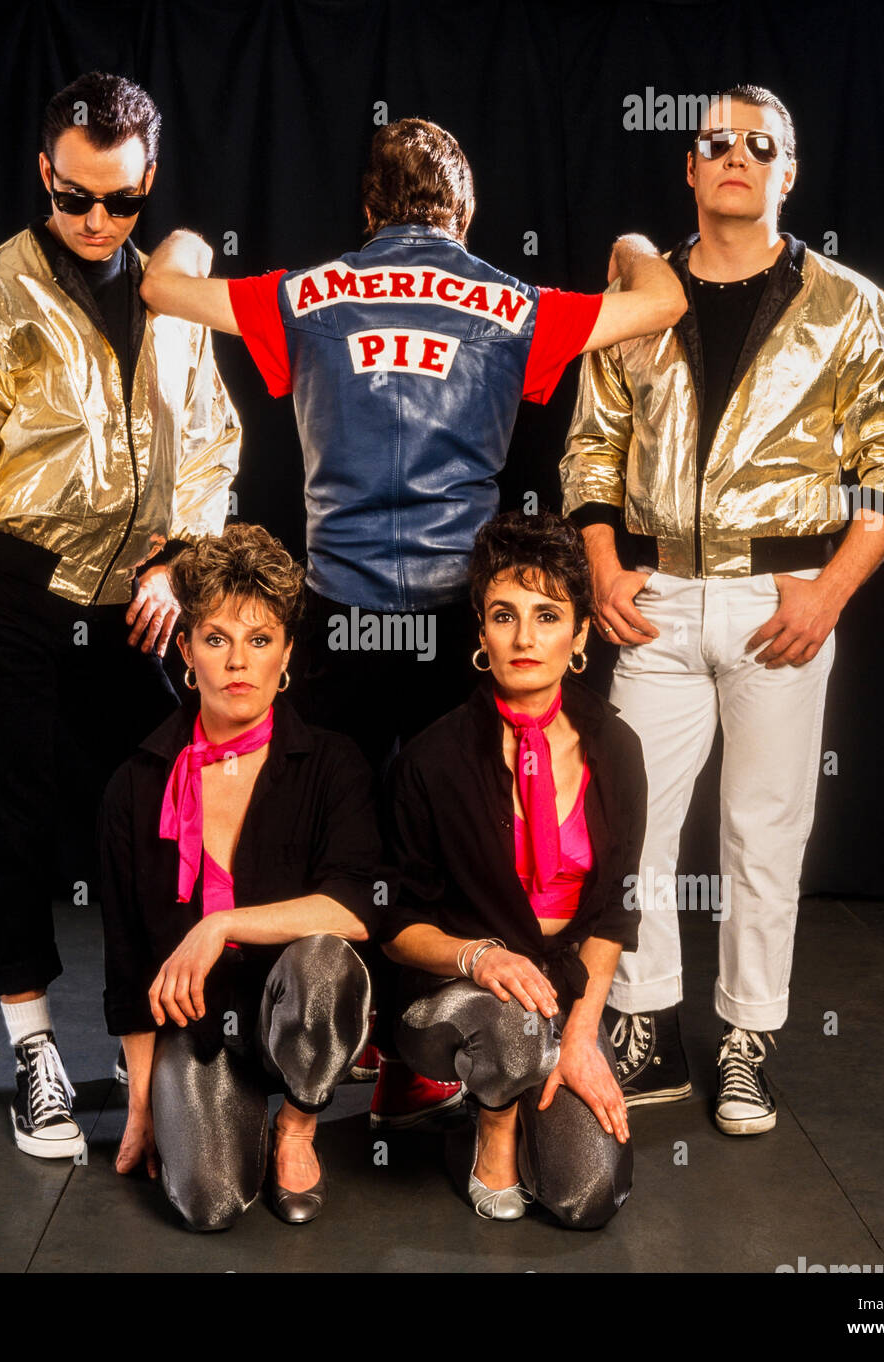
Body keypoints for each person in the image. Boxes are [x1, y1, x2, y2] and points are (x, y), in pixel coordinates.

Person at [137, 116, 683, 1130]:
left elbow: (162, 288)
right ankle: (421, 1053)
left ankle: (304, 1043)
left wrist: (187, 246)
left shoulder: (306, 292)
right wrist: (627, 249)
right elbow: (662, 299)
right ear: (463, 213)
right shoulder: (506, 300)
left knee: (328, 840)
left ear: (369, 210)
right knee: (447, 847)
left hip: (338, 611)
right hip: (454, 619)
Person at [0, 72, 241, 1161]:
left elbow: (213, 442)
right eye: (76, 196)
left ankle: (168, 1045)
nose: (96, 221)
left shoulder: (171, 301)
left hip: (139, 606)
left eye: (120, 202)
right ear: (45, 172)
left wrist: (178, 561)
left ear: (149, 184)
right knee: (11, 833)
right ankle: (33, 1051)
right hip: (18, 599)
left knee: (158, 828)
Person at [560, 84, 884, 1135]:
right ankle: (646, 1028)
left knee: (762, 836)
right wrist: (599, 563)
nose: (735, 155)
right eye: (714, 141)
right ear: (689, 166)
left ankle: (746, 1042)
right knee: (630, 826)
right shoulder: (640, 302)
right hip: (660, 598)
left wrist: (831, 588)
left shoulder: (852, 308)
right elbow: (590, 447)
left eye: (757, 144)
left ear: (788, 171)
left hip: (783, 595)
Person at [99, 524, 378, 1230]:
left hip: (292, 1014)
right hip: (194, 1028)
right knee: (208, 1204)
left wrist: (219, 923)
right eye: (216, 638)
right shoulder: (135, 782)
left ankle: (296, 1129)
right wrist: (140, 1106)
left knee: (325, 962)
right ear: (187, 650)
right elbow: (127, 953)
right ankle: (216, 1102)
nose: (237, 662)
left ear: (286, 655)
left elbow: (352, 909)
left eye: (259, 640)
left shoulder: (332, 763)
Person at [381, 512, 646, 1227]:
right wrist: (477, 956)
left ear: (581, 634)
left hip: (564, 999)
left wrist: (584, 1036)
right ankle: (490, 1123)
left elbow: (618, 908)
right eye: (505, 615)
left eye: (548, 615)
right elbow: (396, 923)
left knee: (586, 1198)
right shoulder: (430, 759)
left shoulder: (616, 750)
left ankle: (532, 1085)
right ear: (481, 630)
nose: (525, 638)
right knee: (509, 1025)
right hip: (454, 997)